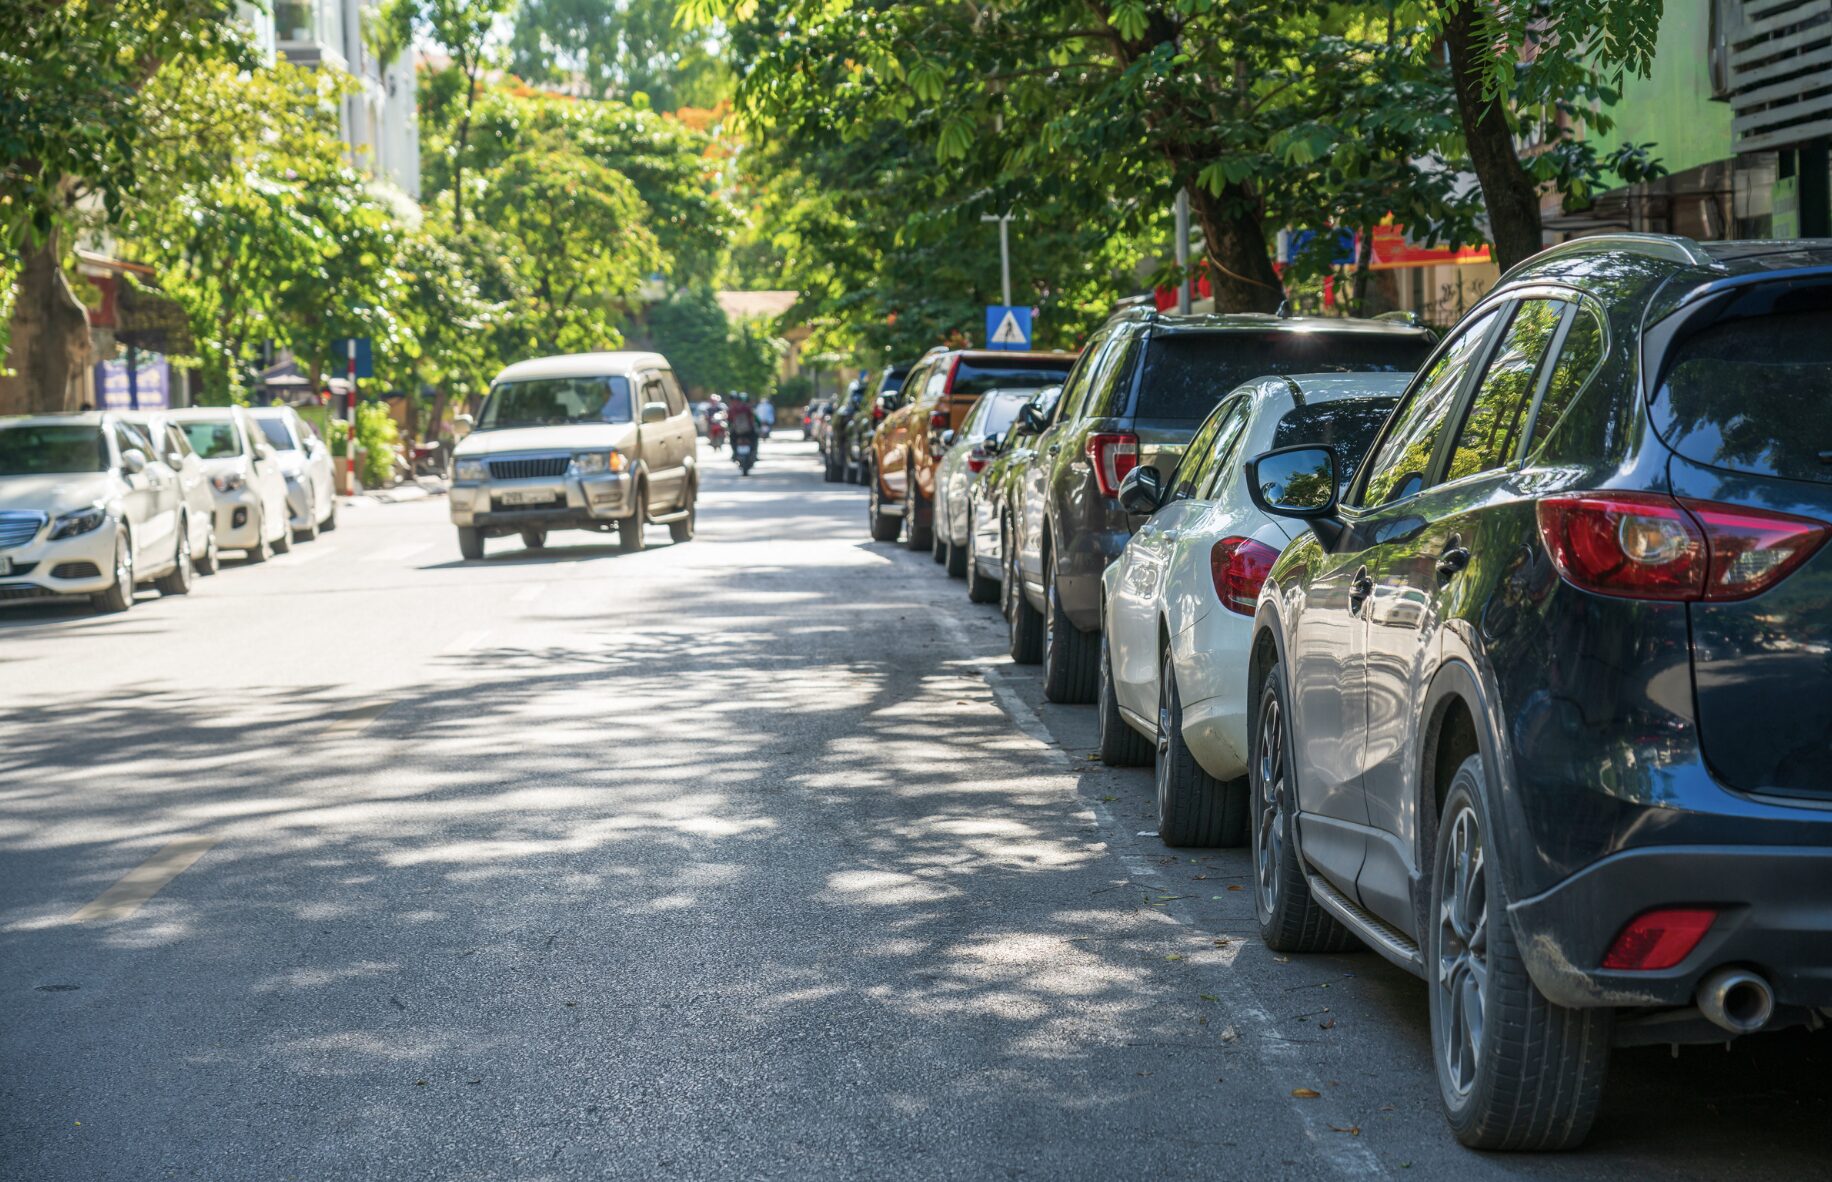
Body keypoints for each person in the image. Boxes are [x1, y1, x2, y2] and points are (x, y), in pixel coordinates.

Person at [724, 392, 759, 463]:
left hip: (738, 431)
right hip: (748, 430)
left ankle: (735, 453)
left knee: (732, 439)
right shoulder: (747, 408)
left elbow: (729, 420)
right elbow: (753, 418)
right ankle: (753, 453)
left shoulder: (732, 409)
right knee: (755, 438)